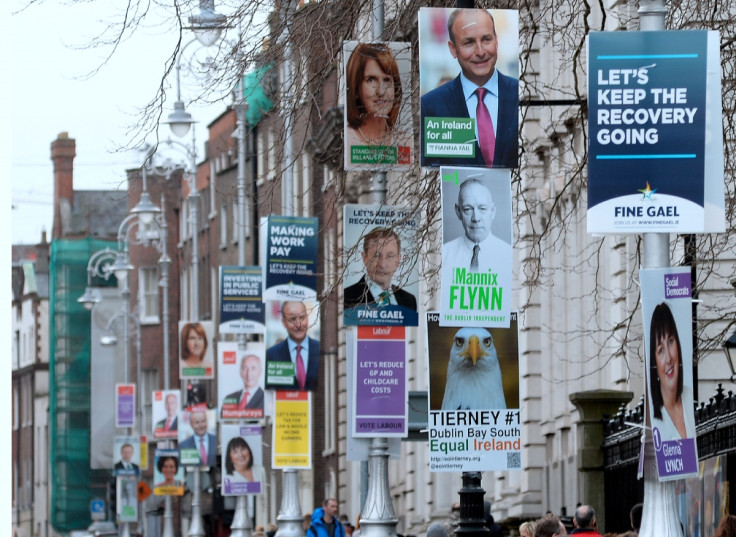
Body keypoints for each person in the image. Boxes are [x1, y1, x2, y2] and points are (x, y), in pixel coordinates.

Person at [421, 8, 518, 168]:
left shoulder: (519, 94)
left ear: (497, 40)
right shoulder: (433, 106)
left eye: (486, 39)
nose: (480, 52)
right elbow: (433, 168)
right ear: (453, 49)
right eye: (469, 42)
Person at [345, 43, 411, 160]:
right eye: (371, 80)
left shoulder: (406, 142)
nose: (381, 91)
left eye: (387, 80)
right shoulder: (348, 142)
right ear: (355, 88)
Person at [442, 179, 511, 272]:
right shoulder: (445, 254)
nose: (475, 218)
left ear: (493, 211)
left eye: (482, 208)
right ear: (458, 212)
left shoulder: (508, 255)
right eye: (467, 209)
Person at [649, 302, 695, 440]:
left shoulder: (689, 397)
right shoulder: (654, 418)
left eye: (670, 341)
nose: (668, 358)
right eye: (661, 350)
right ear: (654, 362)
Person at [344, 227, 417, 310]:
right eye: (376, 256)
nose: (382, 264)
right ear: (364, 258)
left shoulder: (409, 300)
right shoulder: (346, 298)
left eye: (390, 256)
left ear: (398, 259)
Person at [266, 301, 320, 391]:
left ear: (307, 318)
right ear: (283, 323)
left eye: (302, 318)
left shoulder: (320, 351)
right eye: (292, 319)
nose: (298, 325)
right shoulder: (271, 355)